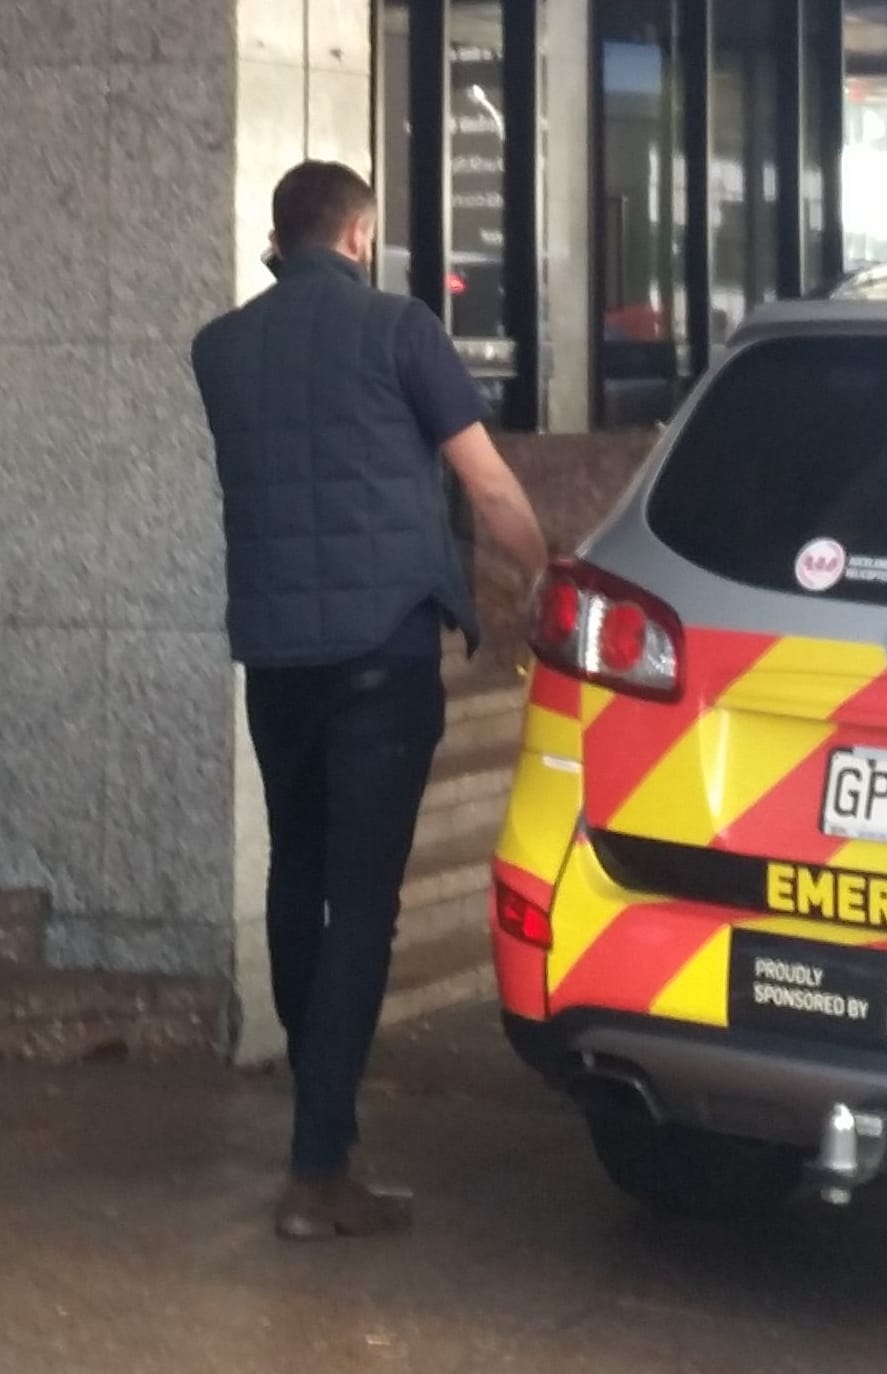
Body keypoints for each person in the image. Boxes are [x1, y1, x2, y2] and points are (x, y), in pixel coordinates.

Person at [190, 161, 548, 1240]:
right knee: (364, 900)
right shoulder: (402, 331)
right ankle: (316, 1166)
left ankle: (323, 1125)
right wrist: (536, 576)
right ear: (357, 236)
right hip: (382, 650)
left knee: (298, 875)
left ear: (280, 235)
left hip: (277, 655)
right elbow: (487, 485)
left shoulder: (221, 349)